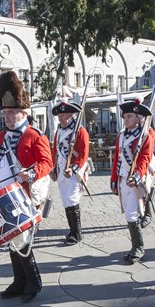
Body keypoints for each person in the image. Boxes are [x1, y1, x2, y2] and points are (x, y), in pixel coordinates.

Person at [0, 71, 53, 302]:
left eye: (10, 113)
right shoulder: (1, 137)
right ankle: (19, 282)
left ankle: (33, 283)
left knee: (23, 239)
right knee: (11, 238)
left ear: (22, 112)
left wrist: (30, 173)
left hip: (24, 196)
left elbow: (47, 162)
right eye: (5, 113)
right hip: (2, 197)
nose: (6, 117)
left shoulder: (35, 136)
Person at [110, 99, 155, 264]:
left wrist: (137, 176)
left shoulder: (145, 136)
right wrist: (114, 180)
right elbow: (117, 159)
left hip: (136, 181)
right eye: (125, 116)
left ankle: (138, 247)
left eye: (129, 116)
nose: (126, 119)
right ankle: (136, 247)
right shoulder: (121, 136)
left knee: (131, 214)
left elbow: (145, 158)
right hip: (123, 179)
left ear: (139, 118)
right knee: (128, 214)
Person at [50, 101, 90, 245]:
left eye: (64, 115)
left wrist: (73, 168)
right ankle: (72, 231)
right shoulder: (59, 131)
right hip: (61, 170)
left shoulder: (79, 130)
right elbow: (55, 152)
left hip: (74, 172)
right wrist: (53, 169)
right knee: (66, 201)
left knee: (72, 200)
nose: (61, 118)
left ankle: (77, 233)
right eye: (60, 115)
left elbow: (83, 154)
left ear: (71, 115)